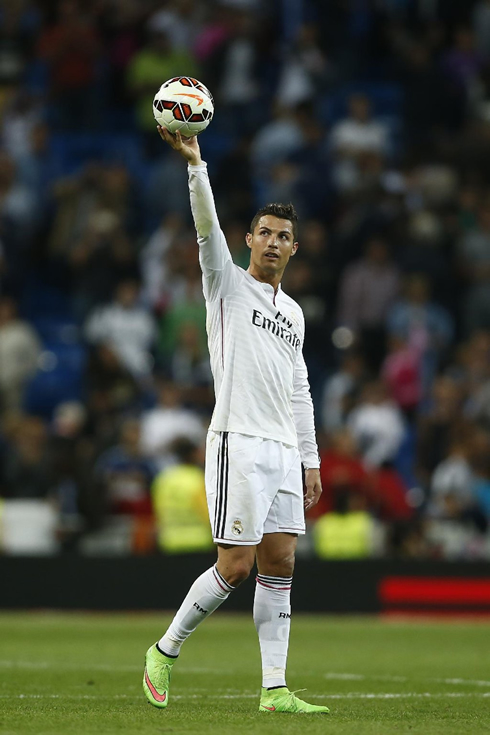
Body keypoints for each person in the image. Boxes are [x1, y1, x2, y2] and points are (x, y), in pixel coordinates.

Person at [142, 127, 328, 715]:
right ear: (247, 239)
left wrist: (311, 458)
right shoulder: (225, 284)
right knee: (237, 564)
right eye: (265, 233)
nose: (273, 243)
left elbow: (300, 388)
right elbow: (205, 226)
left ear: (295, 249)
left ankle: (275, 690)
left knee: (281, 563)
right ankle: (164, 652)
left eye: (284, 237)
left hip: (281, 449)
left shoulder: (293, 313)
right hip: (237, 442)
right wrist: (196, 165)